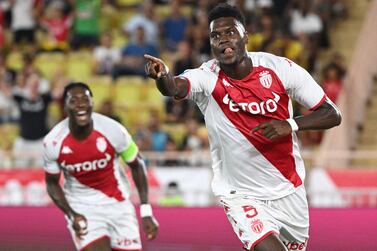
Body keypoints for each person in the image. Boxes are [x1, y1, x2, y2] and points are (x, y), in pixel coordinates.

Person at [144, 3, 341, 251]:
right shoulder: (207, 77)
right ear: (210, 43)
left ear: (245, 36)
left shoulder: (280, 69)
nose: (223, 40)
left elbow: (332, 114)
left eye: (230, 32)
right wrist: (163, 77)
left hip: (289, 189)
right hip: (240, 194)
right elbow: (175, 87)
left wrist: (289, 125)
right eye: (216, 35)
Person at [43, 82, 158, 251]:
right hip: (82, 207)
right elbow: (52, 183)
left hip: (119, 205)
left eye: (85, 99)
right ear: (65, 106)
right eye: (73, 100)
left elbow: (137, 164)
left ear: (92, 103)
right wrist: (71, 214)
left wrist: (146, 211)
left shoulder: (114, 130)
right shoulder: (53, 142)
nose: (81, 104)